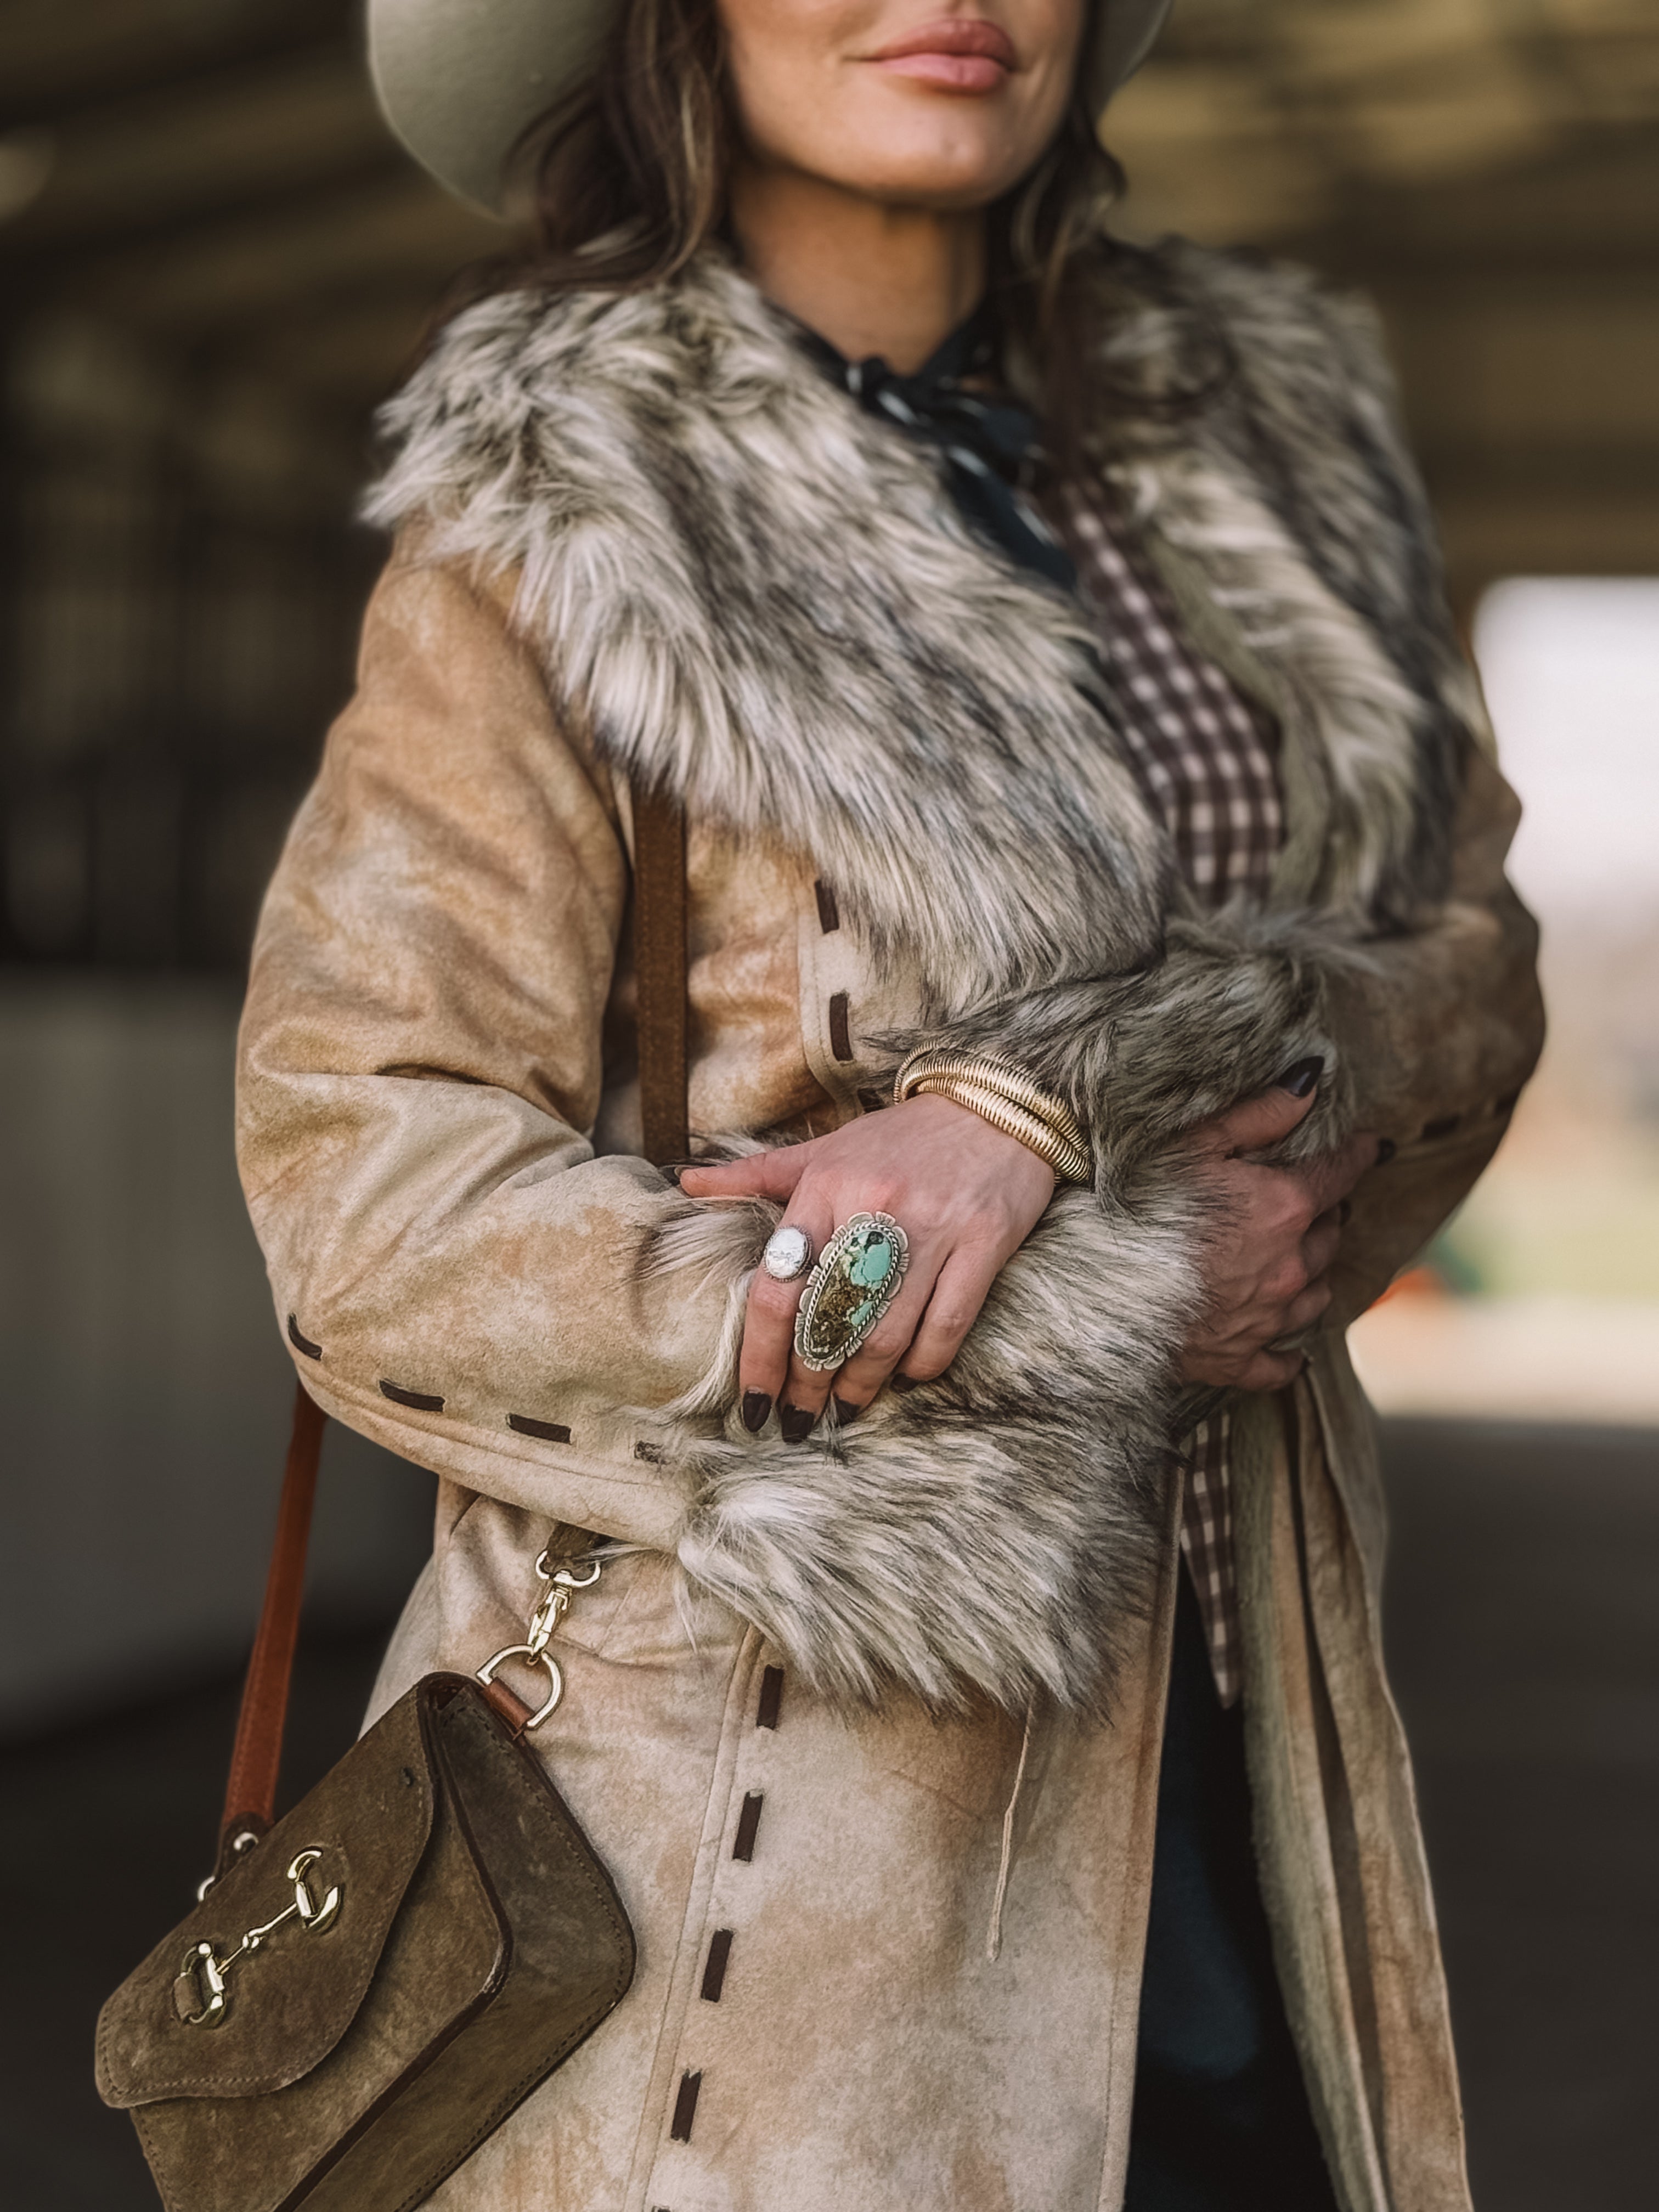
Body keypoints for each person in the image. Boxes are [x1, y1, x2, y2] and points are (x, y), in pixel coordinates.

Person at [236, 2, 1543, 2206]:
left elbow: (1464, 962)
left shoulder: (1260, 478)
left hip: (1257, 1749)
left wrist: (1041, 1113)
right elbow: (366, 1189)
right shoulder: (559, 523)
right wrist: (1073, 1294)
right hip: (758, 1853)